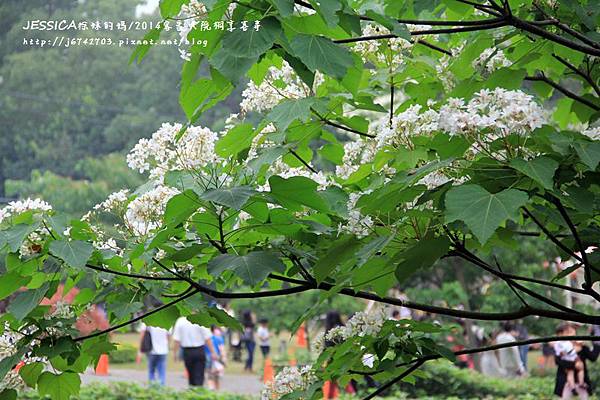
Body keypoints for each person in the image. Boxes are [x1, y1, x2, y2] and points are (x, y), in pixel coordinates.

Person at [554, 323, 600, 399]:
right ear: (561, 335)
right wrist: (574, 364)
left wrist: (596, 343)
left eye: (573, 331)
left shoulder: (582, 346)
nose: (571, 334)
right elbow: (558, 361)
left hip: (581, 382)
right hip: (566, 382)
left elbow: (593, 357)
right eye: (568, 332)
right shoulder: (560, 348)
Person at [172, 317, 217, 387]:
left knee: (191, 376)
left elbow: (177, 340)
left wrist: (175, 353)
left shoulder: (180, 321)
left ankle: (192, 391)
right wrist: (213, 352)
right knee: (199, 375)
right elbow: (207, 338)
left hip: (187, 352)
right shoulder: (200, 319)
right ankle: (198, 393)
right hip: (199, 350)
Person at [554, 326, 586, 394]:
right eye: (566, 332)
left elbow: (579, 343)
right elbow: (561, 353)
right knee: (571, 372)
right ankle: (574, 387)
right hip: (568, 360)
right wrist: (572, 350)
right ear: (560, 334)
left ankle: (579, 384)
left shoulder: (567, 341)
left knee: (577, 370)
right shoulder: (558, 343)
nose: (568, 334)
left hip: (572, 358)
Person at [205, 326, 226, 390]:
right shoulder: (219, 338)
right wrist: (224, 358)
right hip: (217, 358)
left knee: (209, 375)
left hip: (208, 357)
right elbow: (222, 349)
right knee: (216, 377)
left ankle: (211, 388)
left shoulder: (207, 338)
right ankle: (217, 390)